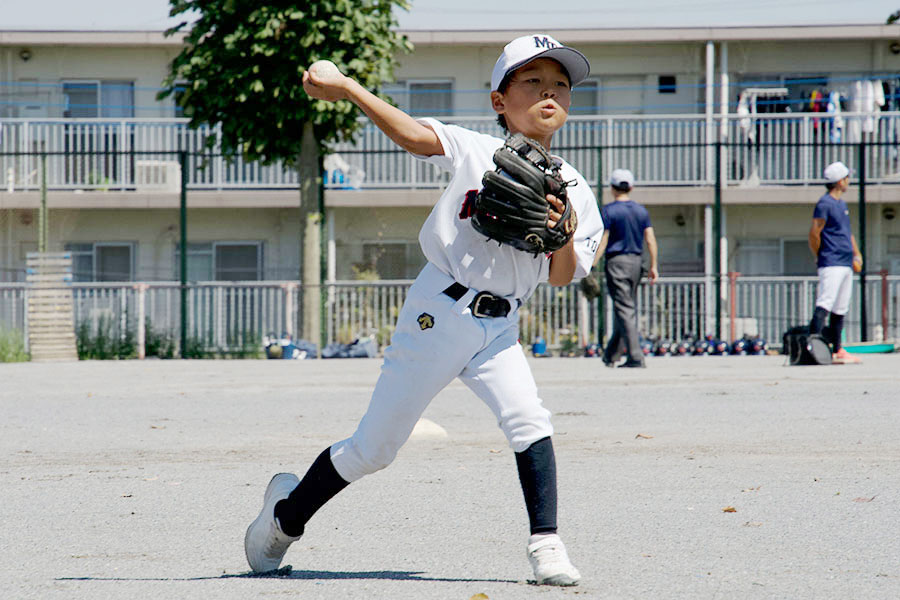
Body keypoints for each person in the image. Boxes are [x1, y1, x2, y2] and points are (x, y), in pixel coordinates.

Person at [244, 34, 603, 586]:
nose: (548, 92)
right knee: (374, 449)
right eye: (531, 82)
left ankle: (546, 546)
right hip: (437, 314)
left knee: (528, 418)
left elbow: (563, 275)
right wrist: (347, 88)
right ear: (499, 101)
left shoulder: (577, 189)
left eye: (559, 84)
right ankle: (285, 517)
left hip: (500, 326)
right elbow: (415, 136)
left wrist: (562, 232)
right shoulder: (477, 149)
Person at [592, 169, 658, 368]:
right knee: (626, 309)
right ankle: (611, 354)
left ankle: (636, 357)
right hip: (637, 263)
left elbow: (603, 240)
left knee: (624, 309)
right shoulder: (641, 211)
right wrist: (654, 265)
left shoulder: (609, 211)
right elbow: (650, 239)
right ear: (631, 187)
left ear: (612, 188)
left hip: (617, 263)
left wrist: (592, 264)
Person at [808, 161, 863, 364]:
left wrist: (857, 254)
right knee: (825, 302)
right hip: (831, 261)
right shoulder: (825, 204)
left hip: (845, 261)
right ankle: (813, 346)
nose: (849, 181)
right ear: (840, 181)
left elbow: (847, 233)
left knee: (841, 307)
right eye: (847, 177)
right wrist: (819, 255)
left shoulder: (841, 204)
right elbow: (815, 233)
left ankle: (837, 349)